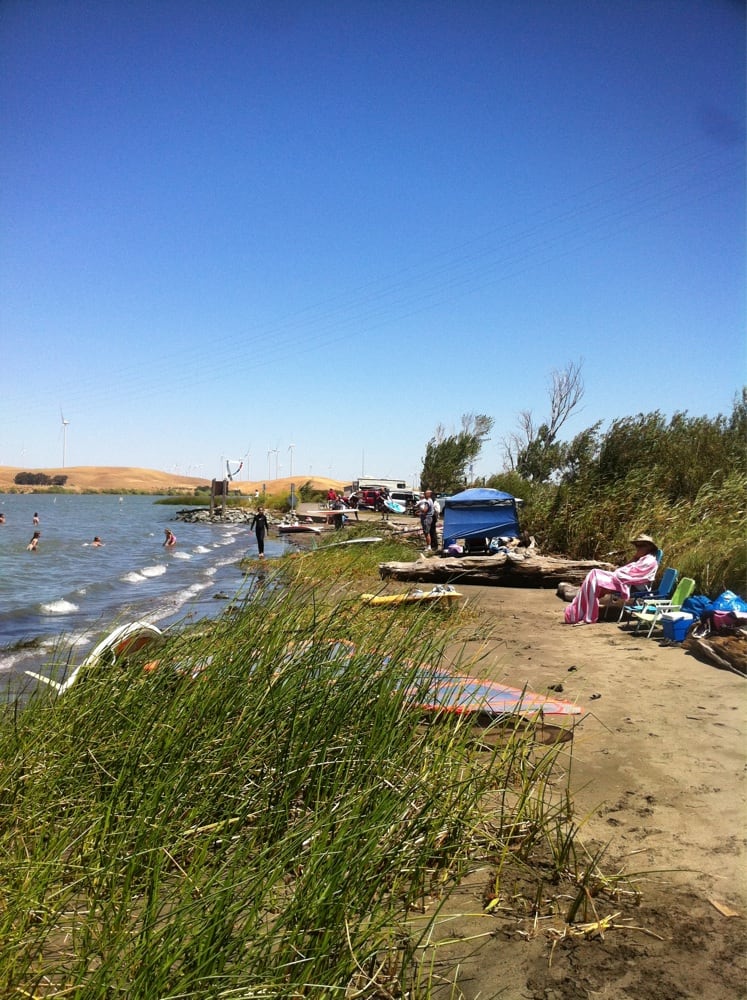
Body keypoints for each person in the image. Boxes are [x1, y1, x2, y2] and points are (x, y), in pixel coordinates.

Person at [563, 534, 660, 626]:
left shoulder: (649, 561)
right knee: (594, 575)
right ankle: (582, 611)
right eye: (637, 546)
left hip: (631, 586)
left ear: (649, 547)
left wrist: (618, 574)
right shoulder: (641, 559)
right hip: (623, 581)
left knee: (594, 579)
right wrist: (634, 558)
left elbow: (634, 576)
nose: (638, 548)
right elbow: (624, 570)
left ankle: (587, 615)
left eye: (641, 546)